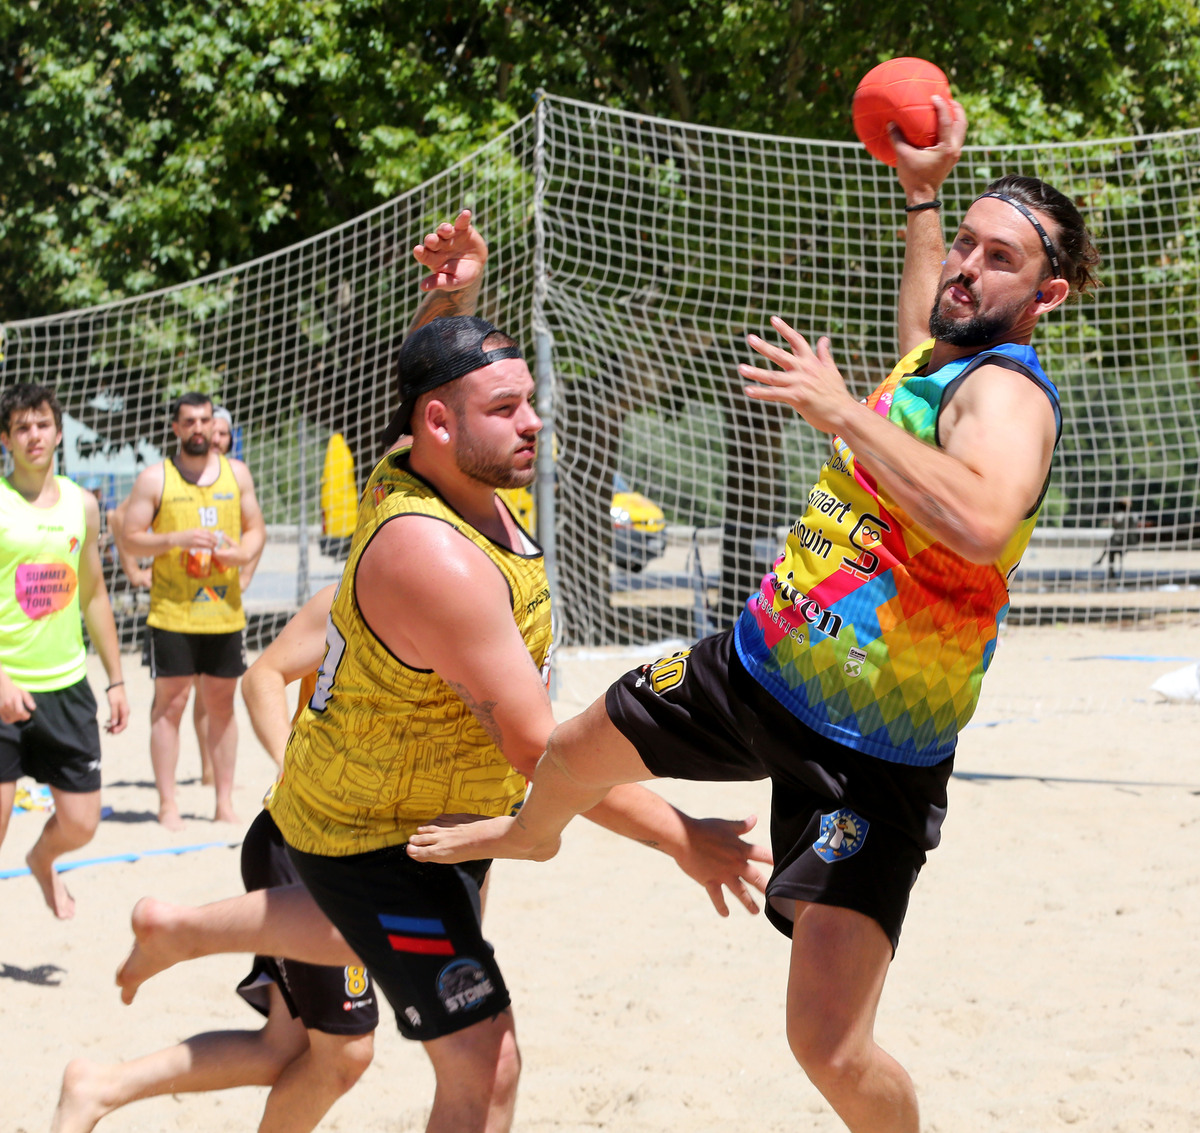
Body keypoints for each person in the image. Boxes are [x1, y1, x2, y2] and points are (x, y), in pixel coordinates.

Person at [406, 99, 1102, 1133]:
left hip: (873, 751)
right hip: (756, 667)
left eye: (995, 256)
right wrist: (922, 194)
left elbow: (981, 516)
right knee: (570, 744)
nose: (965, 263)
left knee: (829, 1045)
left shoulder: (1012, 399)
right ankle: (534, 836)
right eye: (964, 240)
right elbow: (921, 331)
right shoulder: (940, 358)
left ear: (1045, 292)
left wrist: (836, 408)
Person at [113, 211, 772, 1133]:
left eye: (529, 399)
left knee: (376, 951)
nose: (533, 420)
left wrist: (455, 298)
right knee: (485, 1062)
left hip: (429, 808)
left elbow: (439, 387)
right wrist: (678, 835)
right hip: (377, 836)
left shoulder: (414, 468)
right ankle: (177, 933)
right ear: (441, 424)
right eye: (507, 410)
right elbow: (545, 745)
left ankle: (177, 927)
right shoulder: (438, 559)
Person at [51, 584, 378, 1133]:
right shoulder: (354, 592)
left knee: (282, 1048)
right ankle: (179, 930)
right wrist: (287, 763)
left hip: (343, 850)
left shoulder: (469, 586)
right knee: (345, 1054)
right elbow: (263, 676)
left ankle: (97, 1087)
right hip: (311, 845)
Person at [0, 383, 131, 918]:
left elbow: (95, 593)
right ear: (5, 439)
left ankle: (41, 859)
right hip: (6, 681)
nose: (34, 435)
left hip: (66, 685)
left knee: (80, 823)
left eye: (43, 424)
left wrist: (117, 680)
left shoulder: (83, 504)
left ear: (58, 431)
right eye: (22, 427)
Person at [118, 392, 266, 829]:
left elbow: (256, 528)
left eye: (205, 420)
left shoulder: (236, 473)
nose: (199, 428)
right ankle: (168, 804)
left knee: (222, 706)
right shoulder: (155, 479)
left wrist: (243, 556)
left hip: (223, 614)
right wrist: (173, 540)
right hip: (172, 613)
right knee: (171, 705)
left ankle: (223, 802)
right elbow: (129, 537)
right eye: (190, 422)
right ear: (176, 428)